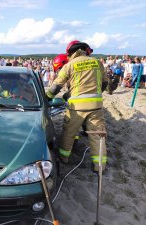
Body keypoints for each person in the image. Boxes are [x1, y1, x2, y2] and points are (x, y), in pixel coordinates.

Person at [45, 40, 108, 173]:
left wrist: (47, 98)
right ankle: (99, 167)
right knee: (97, 135)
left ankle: (64, 158)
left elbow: (57, 85)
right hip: (96, 106)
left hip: (76, 108)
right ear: (85, 50)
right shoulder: (97, 63)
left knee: (69, 133)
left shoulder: (70, 65)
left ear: (71, 52)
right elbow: (104, 83)